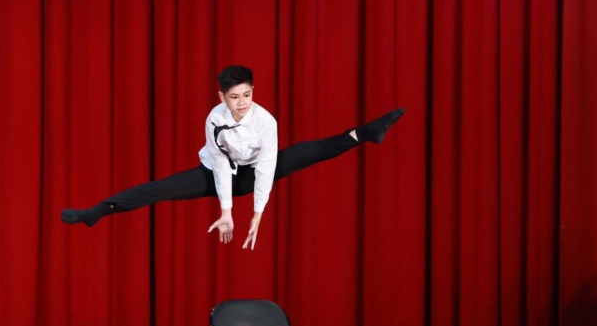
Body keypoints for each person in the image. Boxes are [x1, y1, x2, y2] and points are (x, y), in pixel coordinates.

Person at [61, 65, 405, 250]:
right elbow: (222, 166)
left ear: (253, 92)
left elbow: (267, 167)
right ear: (221, 97)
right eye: (235, 97)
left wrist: (256, 214)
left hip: (253, 173)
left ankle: (364, 133)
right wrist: (227, 212)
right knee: (160, 188)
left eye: (247, 95)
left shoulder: (265, 121)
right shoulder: (215, 119)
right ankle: (99, 211)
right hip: (216, 173)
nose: (242, 103)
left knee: (304, 153)